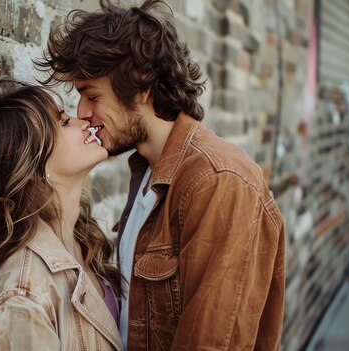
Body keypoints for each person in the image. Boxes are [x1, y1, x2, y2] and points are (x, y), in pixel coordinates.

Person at [36, 0, 286, 350]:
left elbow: (212, 342)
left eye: (91, 95)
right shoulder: (148, 170)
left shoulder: (218, 180)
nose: (83, 113)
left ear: (141, 86)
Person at [0, 79, 123, 350]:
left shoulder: (83, 239)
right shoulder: (23, 295)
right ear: (36, 167)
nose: (82, 121)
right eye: (63, 122)